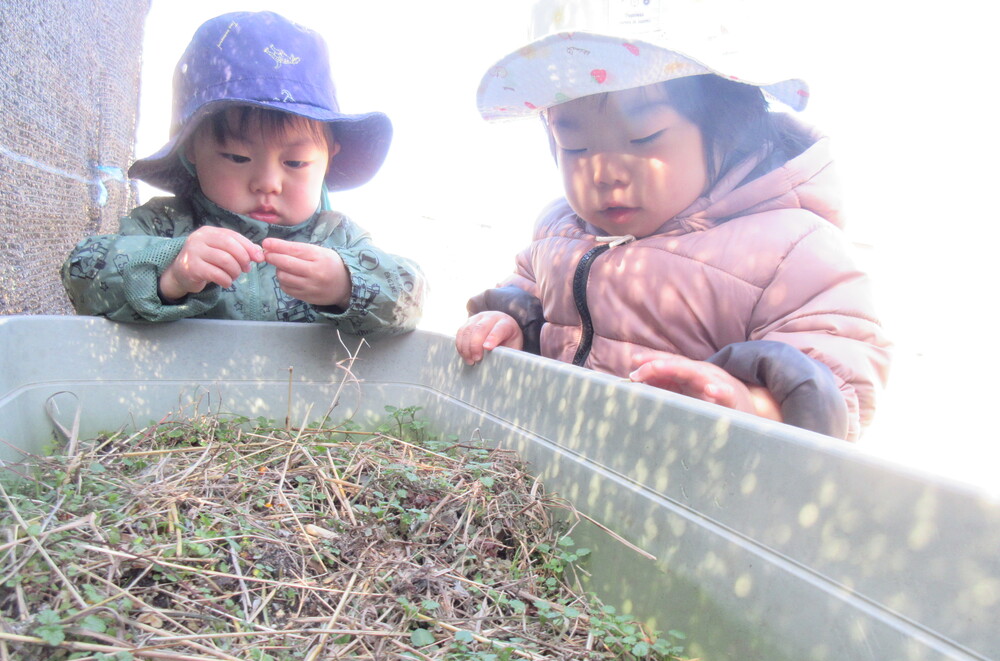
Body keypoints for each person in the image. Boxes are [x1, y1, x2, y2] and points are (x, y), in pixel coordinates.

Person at [456, 28, 891, 441]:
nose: (603, 172)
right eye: (575, 147)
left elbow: (840, 385)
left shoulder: (791, 247)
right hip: (557, 457)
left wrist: (751, 407)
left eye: (644, 137)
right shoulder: (559, 231)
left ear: (726, 131)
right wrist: (510, 329)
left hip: (694, 481)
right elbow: (530, 301)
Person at [62, 10, 425, 337]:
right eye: (237, 157)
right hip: (179, 405)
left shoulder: (338, 237)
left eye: (295, 163)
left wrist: (347, 283)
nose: (267, 183)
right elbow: (82, 271)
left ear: (329, 158)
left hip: (303, 406)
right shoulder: (164, 224)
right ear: (192, 152)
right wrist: (171, 270)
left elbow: (411, 295)